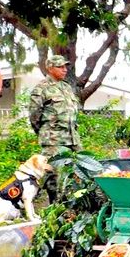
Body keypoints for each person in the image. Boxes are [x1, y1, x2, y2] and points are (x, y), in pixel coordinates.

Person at [29, 55, 81, 202]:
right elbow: (34, 115)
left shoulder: (66, 87)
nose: (65, 69)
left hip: (72, 136)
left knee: (83, 165)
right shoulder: (42, 88)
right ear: (50, 68)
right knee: (54, 174)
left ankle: (75, 203)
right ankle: (54, 205)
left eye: (66, 66)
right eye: (60, 67)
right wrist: (45, 132)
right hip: (53, 137)